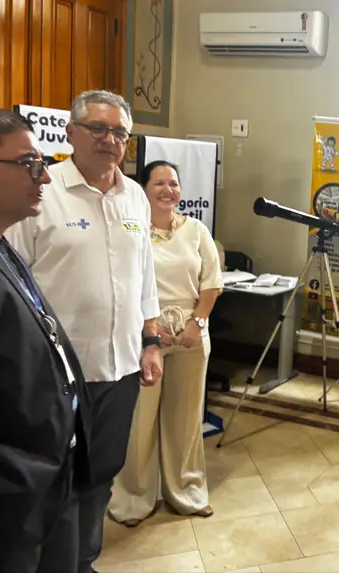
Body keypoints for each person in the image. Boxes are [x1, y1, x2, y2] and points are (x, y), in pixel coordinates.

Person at [6, 90, 162, 573]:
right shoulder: (41, 193)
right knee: (59, 481)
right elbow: (11, 280)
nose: (109, 140)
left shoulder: (134, 194)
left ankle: (83, 562)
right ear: (71, 132)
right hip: (57, 377)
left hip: (120, 369)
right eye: (98, 128)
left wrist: (151, 341)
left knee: (101, 476)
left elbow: (145, 276)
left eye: (119, 132)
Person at [0, 108, 92, 572]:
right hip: (5, 498)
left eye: (43, 164)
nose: (43, 177)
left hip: (50, 477)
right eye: (27, 164)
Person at [108, 160, 222, 527]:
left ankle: (186, 491)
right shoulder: (131, 228)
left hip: (190, 334)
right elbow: (125, 283)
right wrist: (150, 332)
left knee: (186, 418)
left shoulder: (196, 230)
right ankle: (134, 498)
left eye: (173, 183)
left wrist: (196, 323)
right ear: (143, 188)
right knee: (140, 421)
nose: (167, 190)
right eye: (159, 183)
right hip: (145, 338)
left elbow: (212, 283)